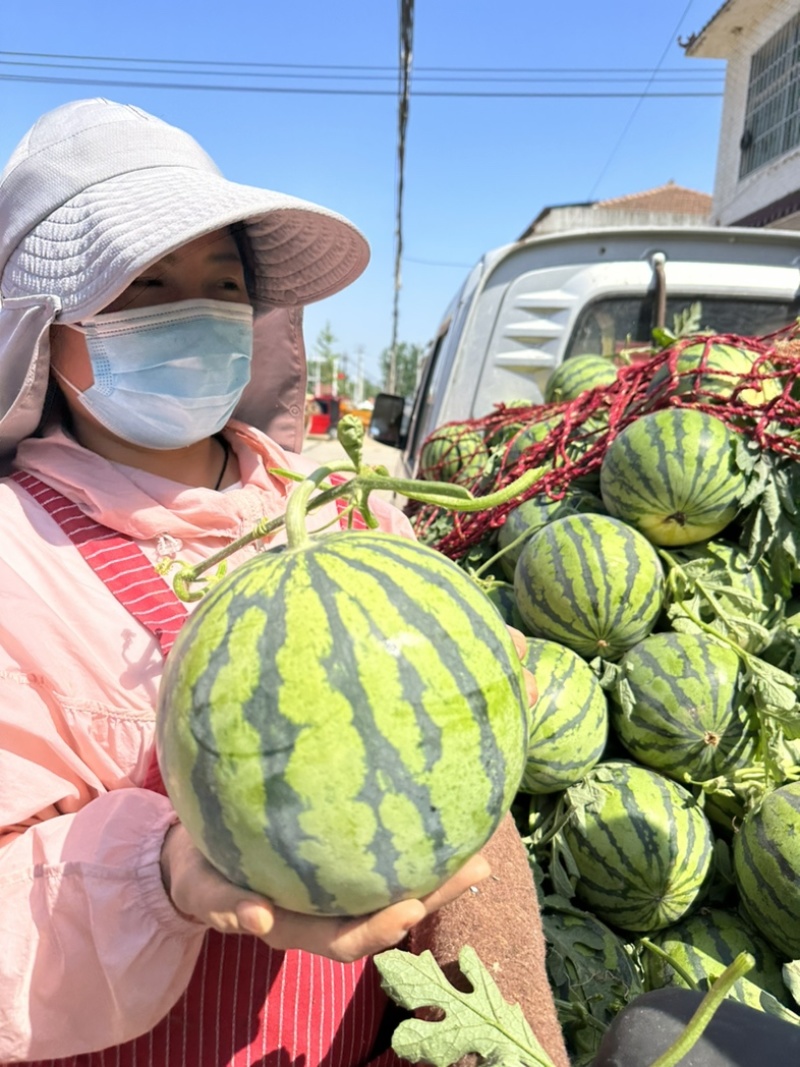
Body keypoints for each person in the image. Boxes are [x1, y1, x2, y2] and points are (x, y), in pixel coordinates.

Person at [0, 98, 570, 1067]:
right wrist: (164, 874)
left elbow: (458, 729)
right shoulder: (19, 561)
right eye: (143, 288)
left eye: (220, 282)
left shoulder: (348, 508)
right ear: (48, 332)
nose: (193, 309)